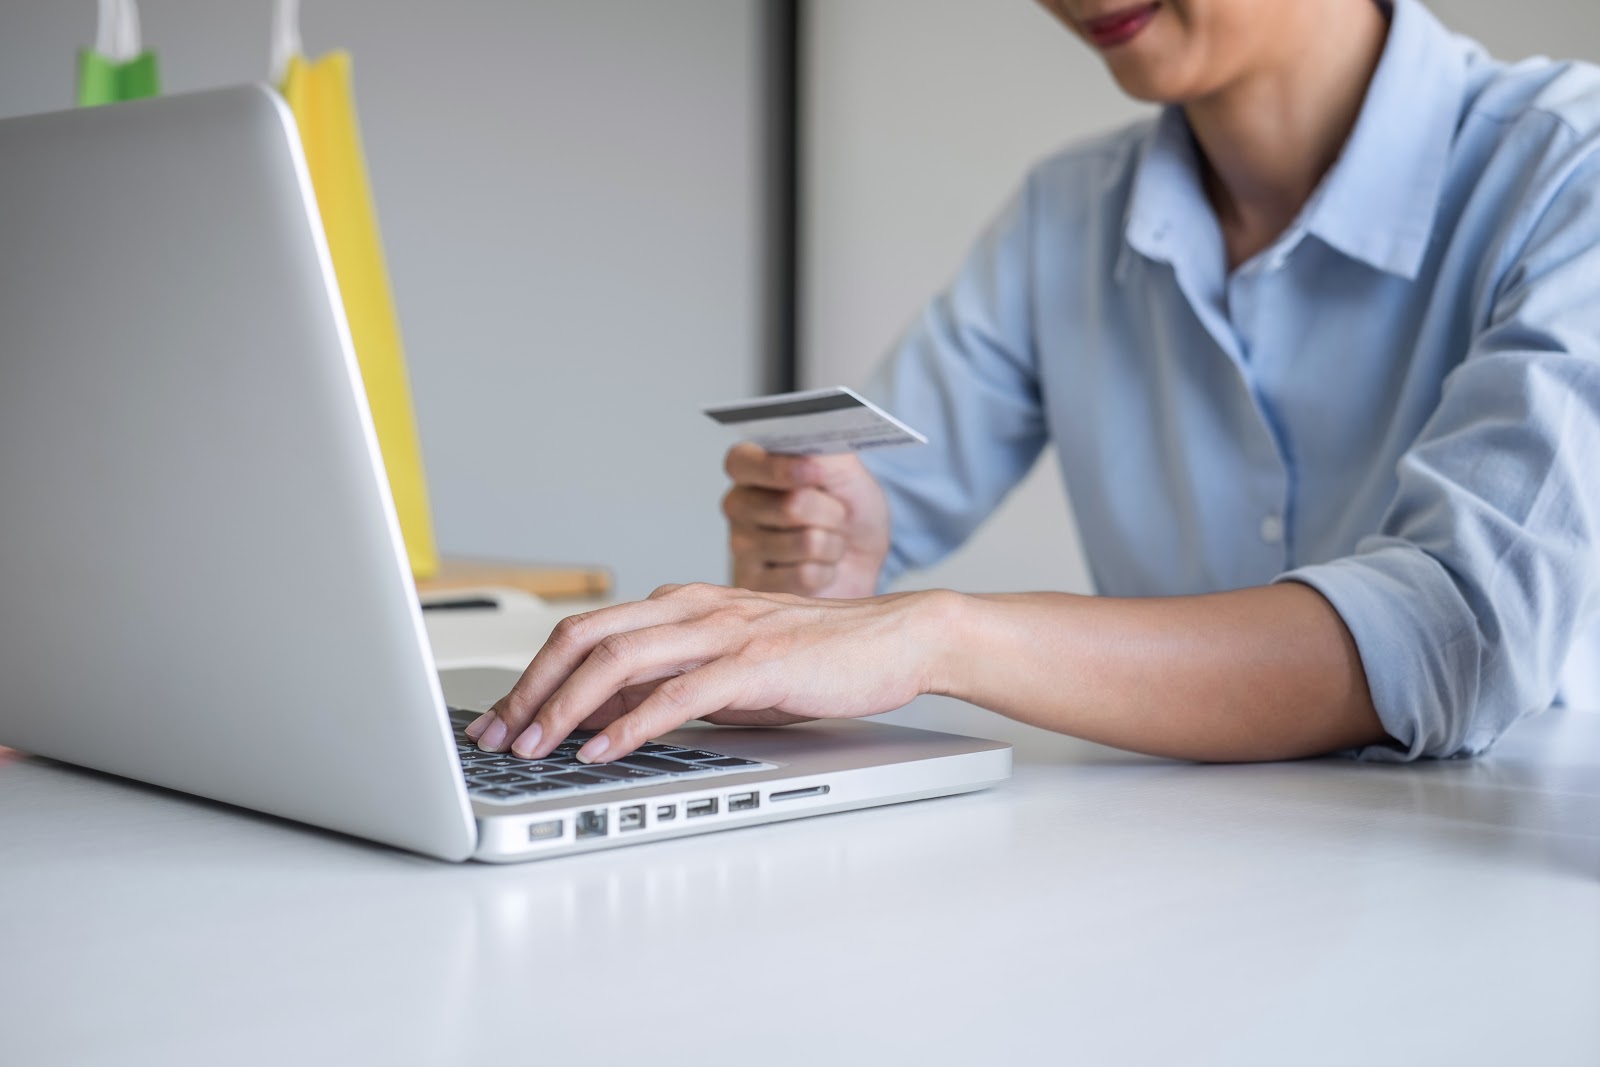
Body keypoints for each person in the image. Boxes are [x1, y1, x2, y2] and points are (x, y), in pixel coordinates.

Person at [467, 0, 1600, 767]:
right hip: (1184, 874)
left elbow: (1457, 633)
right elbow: (864, 535)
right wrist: (820, 571)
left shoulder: (1569, 171)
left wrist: (940, 636)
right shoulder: (1069, 214)